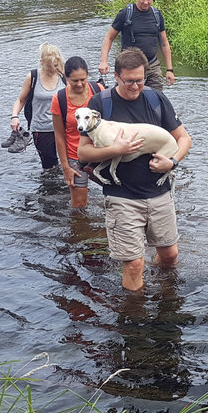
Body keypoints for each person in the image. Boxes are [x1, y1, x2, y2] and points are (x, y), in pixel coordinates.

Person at [79, 47, 191, 291]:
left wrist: (172, 162)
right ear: (116, 77)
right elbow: (83, 152)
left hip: (159, 193)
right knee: (133, 264)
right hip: (122, 195)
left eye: (139, 80)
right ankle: (135, 320)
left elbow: (184, 139)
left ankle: (166, 297)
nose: (135, 86)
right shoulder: (101, 104)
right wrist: (115, 150)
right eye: (129, 81)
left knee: (170, 255)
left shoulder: (155, 99)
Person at [98, 0, 175, 91]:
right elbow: (109, 38)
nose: (145, 2)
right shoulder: (125, 14)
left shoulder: (157, 15)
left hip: (152, 66)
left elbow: (164, 43)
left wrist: (169, 70)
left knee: (156, 100)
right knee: (124, 100)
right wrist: (103, 61)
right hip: (129, 68)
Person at [50, 56, 104, 208]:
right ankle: (79, 230)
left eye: (83, 79)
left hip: (101, 152)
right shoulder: (59, 99)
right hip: (75, 155)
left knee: (114, 196)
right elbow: (59, 135)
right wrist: (65, 167)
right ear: (66, 78)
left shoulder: (98, 90)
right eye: (74, 81)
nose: (80, 84)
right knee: (79, 204)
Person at [9, 43, 65, 167]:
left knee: (71, 161)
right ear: (42, 63)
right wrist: (14, 116)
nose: (53, 69)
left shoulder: (65, 76)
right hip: (41, 128)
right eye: (50, 66)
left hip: (64, 127)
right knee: (49, 165)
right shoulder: (32, 77)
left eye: (56, 65)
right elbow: (21, 100)